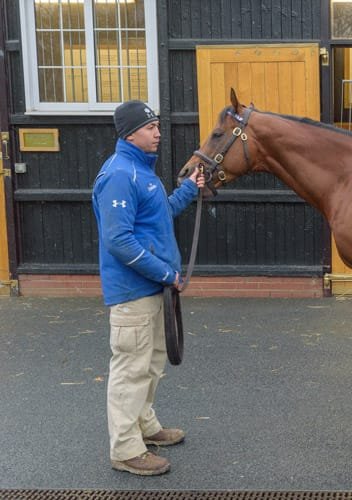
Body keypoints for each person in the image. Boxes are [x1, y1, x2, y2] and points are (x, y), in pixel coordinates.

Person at [92, 100, 204, 476]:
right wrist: (166, 273)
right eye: (150, 126)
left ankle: (145, 426)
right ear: (129, 133)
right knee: (130, 368)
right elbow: (119, 240)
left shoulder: (142, 172)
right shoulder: (119, 175)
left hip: (154, 290)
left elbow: (160, 215)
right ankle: (125, 449)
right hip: (134, 292)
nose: (158, 132)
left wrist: (188, 190)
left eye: (157, 125)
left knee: (151, 363)